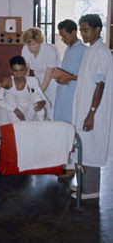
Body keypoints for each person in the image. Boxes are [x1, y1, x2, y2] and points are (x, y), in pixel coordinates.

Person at [71, 14, 113, 200]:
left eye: (86, 29)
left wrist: (91, 113)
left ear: (97, 30)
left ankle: (91, 190)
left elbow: (100, 85)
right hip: (86, 108)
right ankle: (83, 186)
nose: (82, 33)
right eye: (81, 30)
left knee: (91, 148)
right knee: (84, 147)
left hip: (94, 111)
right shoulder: (91, 50)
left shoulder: (101, 53)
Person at [53, 19, 88, 178]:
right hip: (63, 94)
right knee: (61, 130)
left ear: (74, 32)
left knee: (71, 130)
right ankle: (63, 164)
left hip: (73, 95)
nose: (63, 39)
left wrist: (68, 78)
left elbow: (86, 76)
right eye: (61, 36)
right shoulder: (68, 49)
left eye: (65, 35)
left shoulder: (83, 51)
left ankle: (72, 166)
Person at [0, 55, 47, 127]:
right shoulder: (7, 81)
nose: (19, 74)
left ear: (25, 69)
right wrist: (15, 110)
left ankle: (41, 125)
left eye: (21, 70)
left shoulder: (32, 80)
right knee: (10, 96)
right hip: (14, 114)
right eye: (15, 71)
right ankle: (17, 128)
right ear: (11, 71)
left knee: (36, 95)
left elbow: (39, 93)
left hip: (29, 113)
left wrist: (43, 101)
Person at [21, 27, 61, 120]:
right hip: (38, 79)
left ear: (40, 42)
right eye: (28, 45)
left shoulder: (50, 50)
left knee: (50, 109)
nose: (30, 48)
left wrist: (38, 94)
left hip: (53, 82)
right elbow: (26, 70)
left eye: (33, 44)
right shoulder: (25, 49)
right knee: (38, 108)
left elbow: (47, 79)